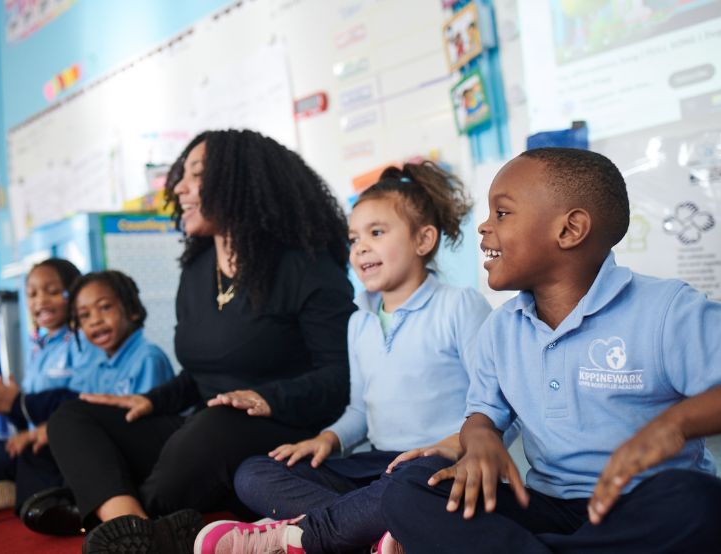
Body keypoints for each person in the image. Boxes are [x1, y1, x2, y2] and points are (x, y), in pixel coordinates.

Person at [378, 147, 721, 553]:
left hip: (641, 505)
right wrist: (482, 438)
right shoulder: (501, 328)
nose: (483, 228)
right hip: (546, 505)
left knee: (708, 506)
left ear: (570, 230)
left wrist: (674, 424)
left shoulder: (665, 310)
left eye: (501, 213)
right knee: (410, 488)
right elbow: (484, 413)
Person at [41, 129, 355, 553]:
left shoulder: (306, 268)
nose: (179, 188)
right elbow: (199, 372)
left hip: (278, 427)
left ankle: (100, 506)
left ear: (239, 181)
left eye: (195, 175)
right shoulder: (199, 269)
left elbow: (341, 377)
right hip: (200, 426)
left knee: (212, 427)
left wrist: (267, 397)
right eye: (180, 176)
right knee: (73, 416)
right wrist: (152, 401)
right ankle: (135, 530)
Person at [196, 161, 515, 554]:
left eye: (376, 233)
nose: (360, 247)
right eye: (353, 238)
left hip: (437, 464)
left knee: (410, 485)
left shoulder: (459, 307)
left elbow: (502, 404)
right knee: (253, 473)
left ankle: (310, 533)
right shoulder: (359, 322)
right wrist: (327, 438)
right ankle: (373, 531)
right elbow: (360, 411)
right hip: (376, 467)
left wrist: (455, 445)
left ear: (423, 239)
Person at [0, 270, 174, 533]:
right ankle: (43, 505)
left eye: (105, 308)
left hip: (141, 449)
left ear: (132, 311)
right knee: (40, 451)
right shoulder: (98, 365)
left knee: (65, 454)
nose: (95, 321)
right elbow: (82, 409)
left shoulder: (147, 357)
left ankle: (80, 506)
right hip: (105, 443)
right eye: (85, 316)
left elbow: (141, 423)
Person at [0, 258, 99, 520]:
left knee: (8, 459)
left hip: (54, 445)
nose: (41, 301)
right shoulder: (40, 346)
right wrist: (8, 407)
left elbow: (81, 404)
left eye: (53, 291)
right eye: (32, 294)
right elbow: (28, 412)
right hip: (27, 439)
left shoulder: (83, 343)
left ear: (76, 293)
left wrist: (17, 403)